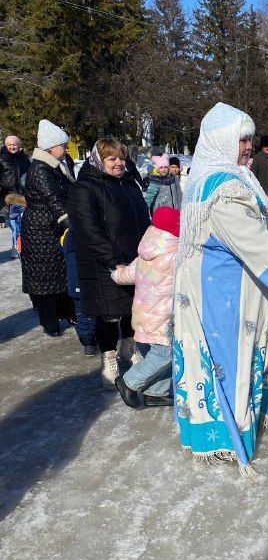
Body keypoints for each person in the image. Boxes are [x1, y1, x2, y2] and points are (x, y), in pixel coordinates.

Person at [173, 102, 268, 470]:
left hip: (224, 284)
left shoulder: (217, 175)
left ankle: (238, 421)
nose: (249, 146)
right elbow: (253, 241)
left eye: (251, 138)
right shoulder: (221, 187)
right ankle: (226, 434)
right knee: (227, 360)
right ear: (221, 139)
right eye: (242, 138)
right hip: (222, 293)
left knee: (236, 356)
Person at [68, 137, 151, 389]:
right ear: (99, 160)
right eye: (111, 159)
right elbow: (88, 230)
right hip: (103, 263)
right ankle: (108, 359)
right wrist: (113, 262)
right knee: (109, 314)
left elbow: (142, 219)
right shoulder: (85, 188)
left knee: (130, 307)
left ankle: (128, 347)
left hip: (133, 257)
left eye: (121, 158)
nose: (118, 163)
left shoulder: (128, 183)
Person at [112, 207, 180, 408]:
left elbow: (127, 275)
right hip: (162, 317)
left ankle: (156, 393)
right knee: (166, 353)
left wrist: (115, 272)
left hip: (142, 315)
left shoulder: (146, 252)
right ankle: (128, 382)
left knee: (153, 351)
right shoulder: (175, 256)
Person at [21, 120, 76, 336]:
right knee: (44, 278)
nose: (65, 149)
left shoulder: (56, 166)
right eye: (62, 145)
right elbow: (53, 198)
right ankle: (49, 321)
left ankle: (66, 312)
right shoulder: (39, 169)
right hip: (40, 230)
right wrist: (67, 220)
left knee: (60, 274)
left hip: (53, 228)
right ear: (51, 147)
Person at [61, 226, 97, 356]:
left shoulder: (68, 235)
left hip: (76, 284)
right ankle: (92, 341)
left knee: (82, 313)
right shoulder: (94, 232)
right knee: (95, 312)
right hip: (93, 282)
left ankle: (88, 343)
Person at [0, 135, 31, 258]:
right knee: (14, 224)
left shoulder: (24, 158)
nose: (12, 147)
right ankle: (15, 247)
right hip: (9, 197)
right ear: (6, 146)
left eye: (15, 144)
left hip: (23, 196)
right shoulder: (1, 158)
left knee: (24, 223)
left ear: (19, 145)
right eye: (10, 145)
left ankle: (24, 246)